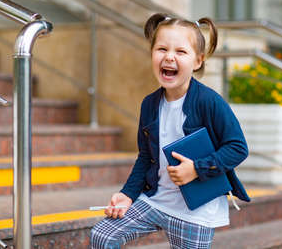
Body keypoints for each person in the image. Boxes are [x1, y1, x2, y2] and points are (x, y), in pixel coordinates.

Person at [90, 13, 251, 249]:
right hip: (156, 200)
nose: (169, 57)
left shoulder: (210, 102)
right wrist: (127, 194)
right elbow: (145, 157)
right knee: (103, 237)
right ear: (152, 54)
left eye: (181, 52)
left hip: (196, 211)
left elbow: (238, 148)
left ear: (198, 61)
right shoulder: (149, 104)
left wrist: (196, 169)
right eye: (162, 49)